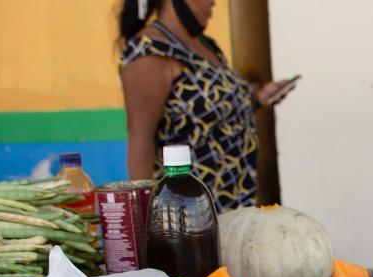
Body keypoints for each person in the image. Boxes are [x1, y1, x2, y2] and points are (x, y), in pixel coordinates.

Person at [119, 0, 295, 210]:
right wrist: (144, 217)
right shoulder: (150, 52)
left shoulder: (206, 45)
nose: (213, 2)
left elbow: (210, 110)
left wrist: (257, 97)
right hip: (192, 215)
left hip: (235, 206)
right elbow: (140, 140)